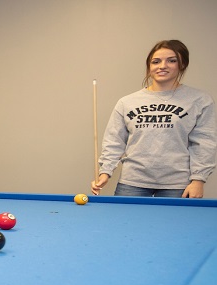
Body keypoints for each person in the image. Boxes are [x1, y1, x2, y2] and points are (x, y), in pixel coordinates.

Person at [91, 39, 216, 198]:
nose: (162, 66)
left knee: (173, 224)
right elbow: (114, 142)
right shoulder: (127, 102)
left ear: (182, 64)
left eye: (171, 60)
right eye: (156, 61)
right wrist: (105, 172)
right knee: (126, 223)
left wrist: (198, 180)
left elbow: (205, 143)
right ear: (149, 67)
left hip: (177, 184)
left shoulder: (200, 100)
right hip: (132, 182)